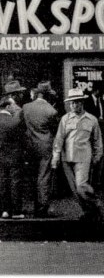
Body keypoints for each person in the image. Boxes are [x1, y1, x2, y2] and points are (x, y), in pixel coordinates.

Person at [52, 87, 104, 222]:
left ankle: (97, 204)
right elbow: (59, 139)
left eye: (78, 102)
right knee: (75, 191)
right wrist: (56, 156)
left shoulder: (92, 119)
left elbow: (97, 140)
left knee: (81, 187)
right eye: (72, 102)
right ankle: (89, 212)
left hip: (83, 157)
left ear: (82, 103)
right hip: (67, 158)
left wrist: (98, 156)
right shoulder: (65, 119)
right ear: (70, 104)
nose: (75, 105)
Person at [21, 81, 59, 218]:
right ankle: (42, 207)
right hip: (45, 146)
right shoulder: (52, 111)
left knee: (31, 177)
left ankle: (32, 205)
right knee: (43, 177)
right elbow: (55, 130)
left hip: (29, 146)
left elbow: (21, 126)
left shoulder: (25, 107)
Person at [0, 96, 26, 219]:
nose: (15, 107)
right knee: (15, 183)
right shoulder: (16, 122)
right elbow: (22, 140)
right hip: (15, 156)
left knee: (2, 183)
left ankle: (4, 209)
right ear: (8, 106)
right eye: (13, 105)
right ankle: (16, 210)